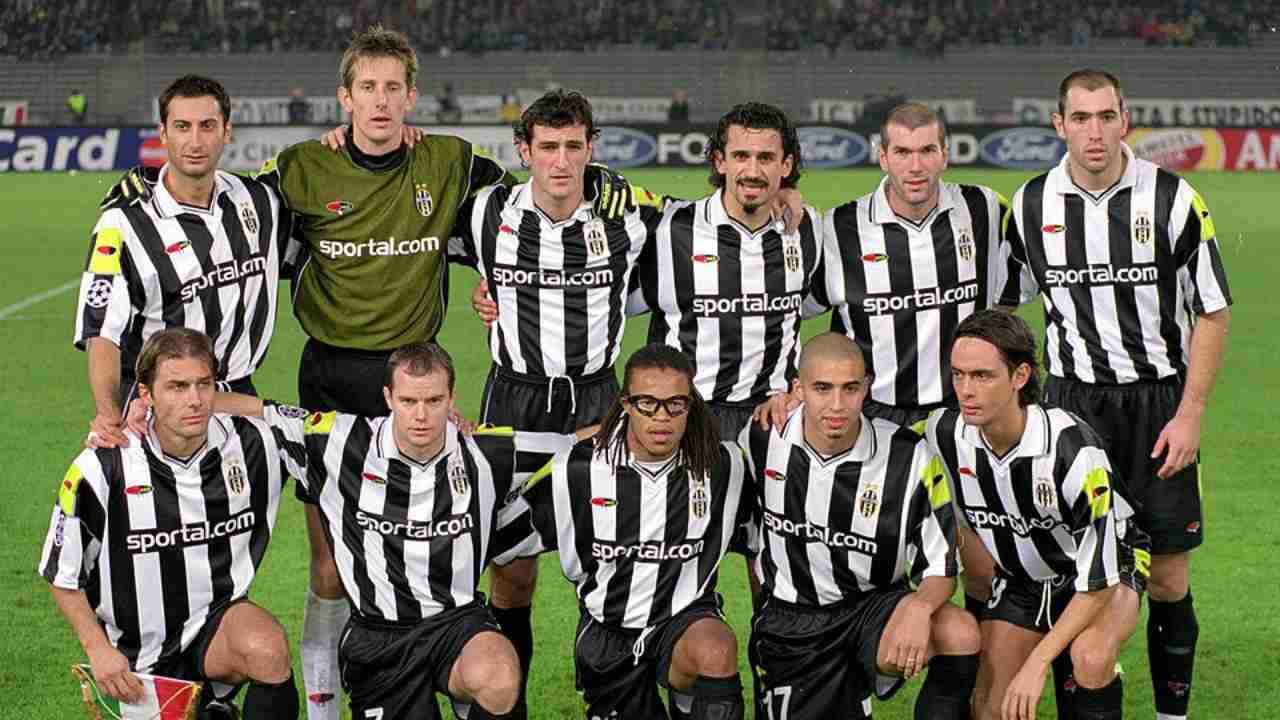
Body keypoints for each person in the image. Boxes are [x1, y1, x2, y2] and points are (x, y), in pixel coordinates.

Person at [998, 69, 1232, 720]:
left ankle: (1170, 715)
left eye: (1106, 116)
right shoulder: (1032, 205)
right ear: (1060, 125)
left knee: (1168, 576)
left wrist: (1191, 414)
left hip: (1159, 408)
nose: (1095, 131)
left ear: (1125, 120)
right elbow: (1003, 304)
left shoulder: (1173, 199)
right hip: (1073, 412)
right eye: (1081, 118)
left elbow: (1212, 312)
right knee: (1077, 575)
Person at [208, 341, 583, 720]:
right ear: (388, 397)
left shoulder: (486, 450)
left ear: (452, 398)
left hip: (456, 624)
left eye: (434, 401)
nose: (421, 415)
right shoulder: (339, 441)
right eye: (408, 401)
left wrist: (622, 421)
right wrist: (174, 400)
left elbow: (576, 444)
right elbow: (262, 411)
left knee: (498, 674)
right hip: (379, 639)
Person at [447, 89, 655, 705]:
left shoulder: (628, 215)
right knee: (511, 573)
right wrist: (482, 290)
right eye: (547, 147)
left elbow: (708, 217)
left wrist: (787, 195)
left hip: (598, 402)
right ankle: (506, 704)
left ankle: (612, 703)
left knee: (611, 565)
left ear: (592, 148)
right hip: (515, 399)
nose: (560, 162)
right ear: (524, 151)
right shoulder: (486, 212)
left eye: (572, 146)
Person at [40, 328, 299, 719]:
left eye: (203, 384)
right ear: (146, 395)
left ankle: (213, 703)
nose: (194, 400)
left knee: (268, 648)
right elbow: (62, 573)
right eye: (177, 387)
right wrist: (99, 650)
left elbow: (325, 430)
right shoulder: (103, 466)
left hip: (216, 625)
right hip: (136, 656)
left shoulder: (256, 443)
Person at [494, 343, 756, 720]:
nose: (661, 417)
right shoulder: (577, 471)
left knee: (716, 650)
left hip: (684, 619)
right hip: (607, 636)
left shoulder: (724, 466)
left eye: (675, 404)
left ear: (691, 405)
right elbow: (505, 537)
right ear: (626, 404)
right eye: (647, 403)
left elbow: (769, 526)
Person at [925, 310, 1150, 720]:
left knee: (1090, 657)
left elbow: (1098, 579)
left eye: (982, 376)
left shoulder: (1072, 451)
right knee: (989, 707)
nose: (966, 391)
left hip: (1107, 570)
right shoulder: (944, 433)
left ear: (1020, 376)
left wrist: (1037, 663)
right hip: (1023, 580)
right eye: (958, 375)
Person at [743, 332, 979, 720]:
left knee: (958, 632)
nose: (837, 404)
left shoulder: (909, 456)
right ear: (798, 389)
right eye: (822, 388)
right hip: (793, 623)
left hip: (872, 609)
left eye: (850, 388)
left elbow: (941, 567)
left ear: (866, 388)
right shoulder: (762, 437)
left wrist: (919, 608)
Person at [79, 74, 290, 448]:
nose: (195, 141)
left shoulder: (261, 202)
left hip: (238, 396)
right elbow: (103, 334)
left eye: (207, 126)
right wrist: (109, 414)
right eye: (182, 127)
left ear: (227, 131)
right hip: (160, 405)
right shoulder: (123, 224)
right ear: (163, 133)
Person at [800, 102, 1010, 433]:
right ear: (883, 157)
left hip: (963, 415)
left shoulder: (984, 208)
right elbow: (787, 311)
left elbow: (1022, 277)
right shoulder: (837, 229)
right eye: (902, 152)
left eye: (927, 151)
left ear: (945, 155)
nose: (915, 166)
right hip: (873, 417)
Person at [631, 101, 825, 441]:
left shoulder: (809, 227)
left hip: (773, 419)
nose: (753, 170)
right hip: (687, 419)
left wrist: (797, 388)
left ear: (786, 165)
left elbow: (806, 309)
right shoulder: (670, 230)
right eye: (741, 156)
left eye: (766, 158)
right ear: (720, 161)